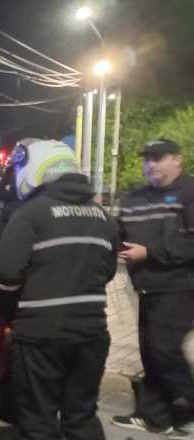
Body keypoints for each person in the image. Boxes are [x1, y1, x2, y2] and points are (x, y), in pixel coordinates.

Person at [0, 139, 119, 440]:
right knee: (81, 416)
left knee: (38, 420)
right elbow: (108, 271)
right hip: (91, 334)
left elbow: (6, 276)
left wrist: (9, 316)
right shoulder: (102, 217)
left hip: (40, 337)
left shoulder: (30, 214)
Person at [112, 139, 194, 438]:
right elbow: (117, 232)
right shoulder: (135, 196)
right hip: (145, 287)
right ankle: (157, 417)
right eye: (147, 159)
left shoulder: (190, 192)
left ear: (177, 159)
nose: (151, 164)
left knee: (164, 348)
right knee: (150, 351)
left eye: (158, 158)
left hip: (181, 286)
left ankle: (187, 406)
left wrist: (150, 252)